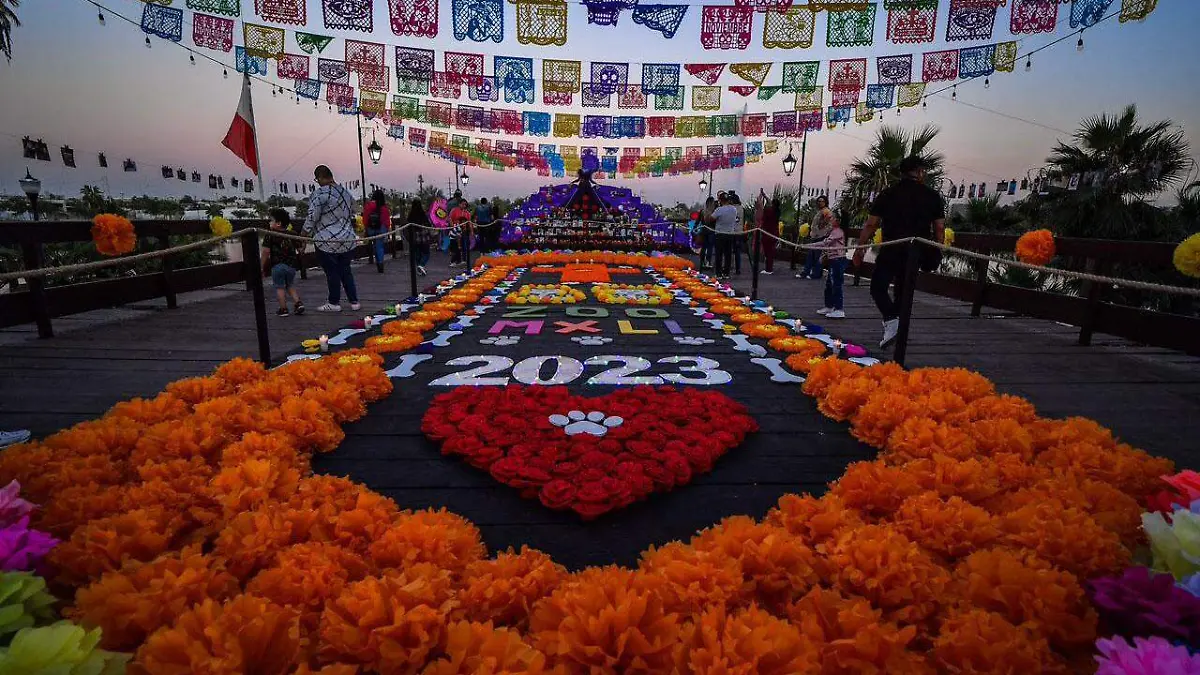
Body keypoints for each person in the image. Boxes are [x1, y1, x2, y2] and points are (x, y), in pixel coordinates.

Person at [853, 156, 946, 348]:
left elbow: (871, 224)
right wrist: (938, 250)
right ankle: (896, 327)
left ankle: (891, 321)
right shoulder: (932, 196)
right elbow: (939, 228)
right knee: (904, 292)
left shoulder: (888, 194)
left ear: (902, 172)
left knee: (878, 287)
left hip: (892, 247)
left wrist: (860, 247)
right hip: (917, 251)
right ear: (920, 172)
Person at [303, 164, 360, 312]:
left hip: (327, 240)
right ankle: (354, 301)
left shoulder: (320, 194)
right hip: (347, 239)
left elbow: (312, 217)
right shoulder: (346, 193)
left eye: (317, 179)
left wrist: (303, 234)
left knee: (332, 272)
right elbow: (356, 209)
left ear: (320, 177)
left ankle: (334, 302)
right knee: (346, 270)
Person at [263, 208, 305, 317]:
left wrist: (261, 265)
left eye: (271, 220)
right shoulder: (292, 234)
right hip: (291, 266)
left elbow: (266, 252)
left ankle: (283, 308)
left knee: (279, 287)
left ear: (278, 223)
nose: (269, 222)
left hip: (277, 267)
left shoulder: (269, 234)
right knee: (290, 285)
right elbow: (300, 250)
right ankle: (298, 303)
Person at [814, 213, 847, 319]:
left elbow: (825, 243)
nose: (830, 219)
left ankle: (839, 309)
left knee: (836, 284)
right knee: (829, 284)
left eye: (832, 218)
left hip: (837, 260)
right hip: (833, 260)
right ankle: (829, 305)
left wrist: (809, 245)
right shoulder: (832, 231)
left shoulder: (838, 232)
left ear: (838, 221)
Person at [799, 195, 834, 280]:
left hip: (821, 236)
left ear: (825, 202)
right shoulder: (820, 211)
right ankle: (806, 272)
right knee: (811, 255)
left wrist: (820, 229)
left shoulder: (826, 211)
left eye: (822, 201)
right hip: (815, 236)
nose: (820, 203)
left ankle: (816, 274)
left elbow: (826, 222)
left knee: (818, 256)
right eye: (819, 201)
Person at [706, 193, 740, 279]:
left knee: (719, 254)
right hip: (730, 234)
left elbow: (710, 219)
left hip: (720, 234)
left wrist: (711, 211)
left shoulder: (719, 210)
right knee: (728, 254)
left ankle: (718, 273)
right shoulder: (734, 209)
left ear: (720, 200)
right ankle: (726, 273)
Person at [363, 189, 390, 274]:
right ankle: (380, 263)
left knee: (375, 246)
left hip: (371, 228)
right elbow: (386, 220)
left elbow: (365, 218)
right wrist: (387, 228)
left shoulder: (368, 205)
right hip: (381, 229)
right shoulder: (384, 206)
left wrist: (366, 228)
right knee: (380, 246)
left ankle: (377, 260)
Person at [406, 198, 433, 276]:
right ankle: (421, 265)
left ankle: (419, 267)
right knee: (426, 253)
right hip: (424, 237)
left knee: (417, 254)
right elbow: (428, 224)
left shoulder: (410, 215)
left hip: (414, 237)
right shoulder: (423, 214)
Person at [448, 198, 471, 266]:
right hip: (455, 230)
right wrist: (453, 227)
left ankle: (463, 260)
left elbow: (469, 222)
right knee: (456, 246)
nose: (464, 206)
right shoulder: (454, 210)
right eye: (463, 204)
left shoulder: (467, 213)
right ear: (459, 204)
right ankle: (455, 260)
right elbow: (450, 218)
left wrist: (471, 231)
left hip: (464, 231)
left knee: (464, 245)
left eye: (465, 205)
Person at [761, 196, 781, 275]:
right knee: (771, 252)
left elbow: (764, 215)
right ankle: (769, 268)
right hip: (774, 233)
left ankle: (768, 269)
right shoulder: (778, 211)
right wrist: (765, 196)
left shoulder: (768, 211)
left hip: (767, 233)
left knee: (767, 252)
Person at [699, 197, 716, 269]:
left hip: (704, 230)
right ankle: (708, 262)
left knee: (703, 247)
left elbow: (698, 221)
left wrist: (694, 229)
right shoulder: (714, 212)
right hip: (711, 231)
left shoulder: (702, 211)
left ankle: (702, 262)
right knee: (710, 247)